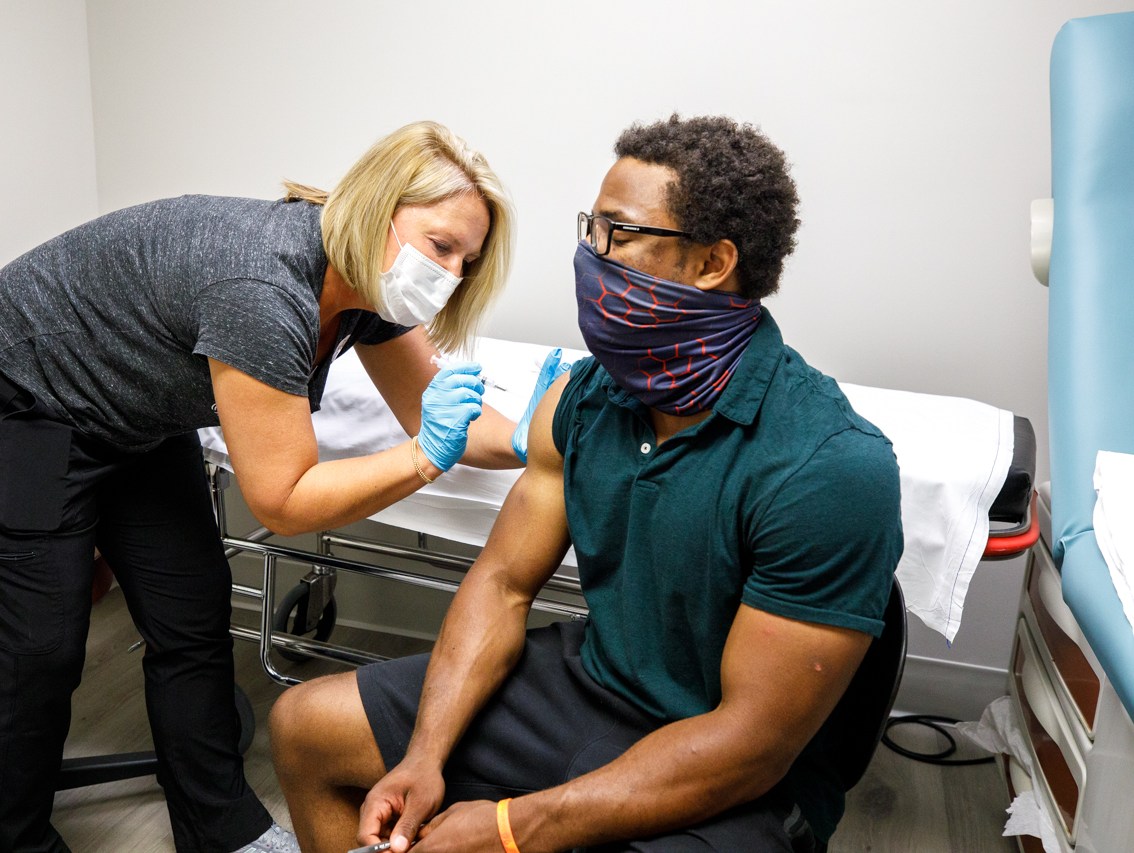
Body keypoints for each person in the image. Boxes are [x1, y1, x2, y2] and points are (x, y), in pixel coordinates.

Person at [270, 115, 904, 853]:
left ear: (712, 263)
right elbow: (504, 582)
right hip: (588, 686)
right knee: (306, 726)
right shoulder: (589, 395)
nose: (590, 256)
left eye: (618, 234)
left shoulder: (828, 465)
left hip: (733, 764)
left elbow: (750, 742)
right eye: (590, 229)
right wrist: (425, 753)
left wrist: (511, 826)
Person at [0, 121, 561, 853]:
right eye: (440, 245)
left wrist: (530, 434)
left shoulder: (372, 290)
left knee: (192, 613)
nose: (448, 273)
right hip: (17, 393)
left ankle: (220, 830)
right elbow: (284, 501)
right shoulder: (261, 286)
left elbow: (434, 410)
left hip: (133, 408)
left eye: (465, 260)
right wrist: (423, 459)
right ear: (377, 208)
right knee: (35, 655)